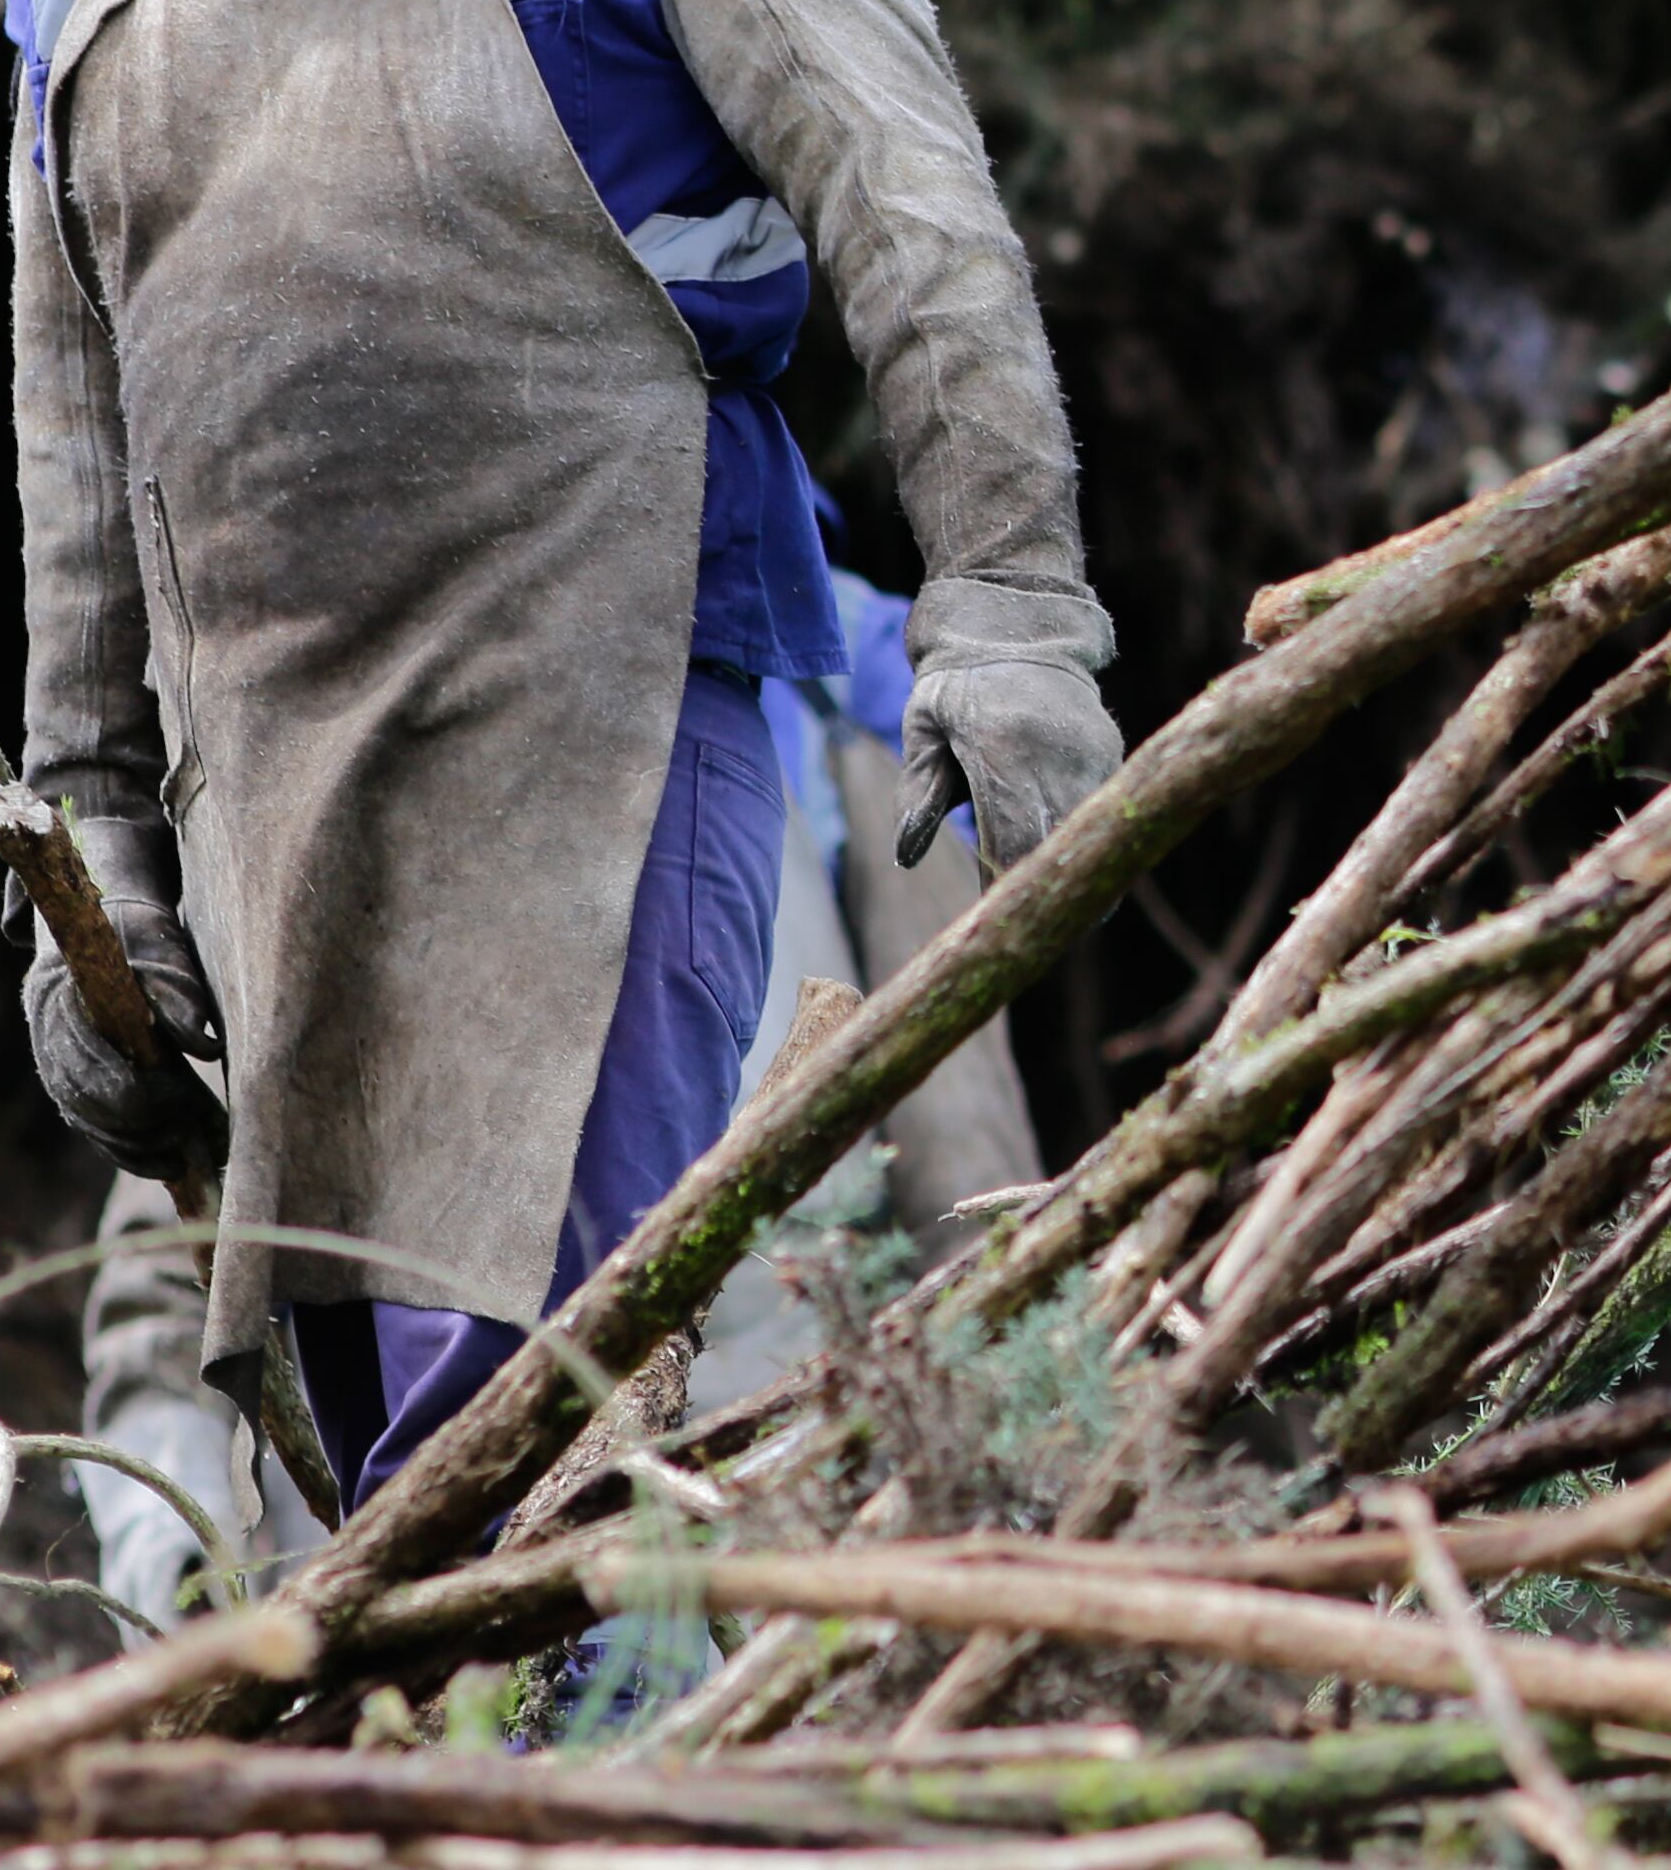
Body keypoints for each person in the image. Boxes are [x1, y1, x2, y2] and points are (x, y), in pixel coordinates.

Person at [1, 0, 1116, 1518]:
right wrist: (91, 844)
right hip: (262, 808)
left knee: (534, 1400)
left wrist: (1008, 610)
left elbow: (921, 230)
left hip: (615, 727)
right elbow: (73, 436)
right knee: (333, 1448)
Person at [75, 558, 1045, 1632]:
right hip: (380, 1601)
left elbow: (973, 1213)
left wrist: (995, 1512)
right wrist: (177, 1562)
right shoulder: (319, 775)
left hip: (775, 1530)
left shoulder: (843, 733)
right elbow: (169, 1292)